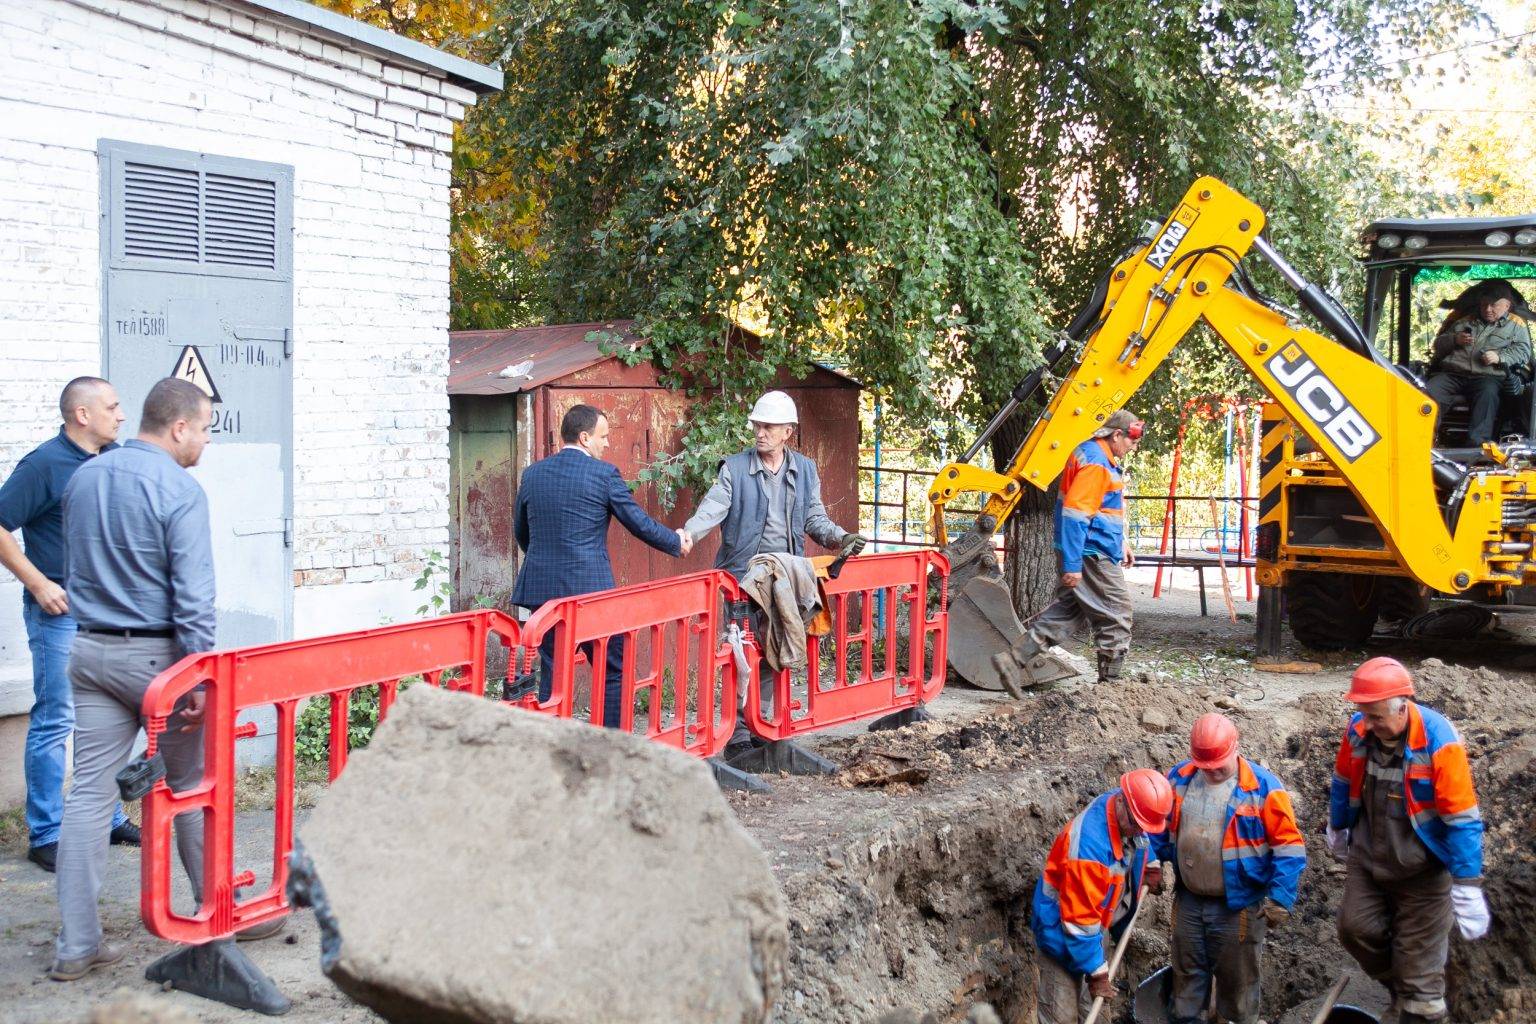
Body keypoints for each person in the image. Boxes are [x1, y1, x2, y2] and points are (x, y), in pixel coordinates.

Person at [51, 378, 221, 981]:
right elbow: (194, 599)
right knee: (192, 786)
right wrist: (201, 679)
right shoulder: (180, 489)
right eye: (203, 429)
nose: (204, 441)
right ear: (178, 427)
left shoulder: (83, 478)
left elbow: (72, 566)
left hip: (91, 651)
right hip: (160, 664)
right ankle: (214, 917)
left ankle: (77, 945)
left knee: (90, 795)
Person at [0, 378, 137, 873]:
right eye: (113, 406)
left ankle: (109, 817)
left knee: (107, 718)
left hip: (109, 613)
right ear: (82, 414)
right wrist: (38, 584)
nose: (121, 415)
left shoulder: (112, 459)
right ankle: (47, 833)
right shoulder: (42, 465)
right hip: (60, 615)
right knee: (56, 719)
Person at [1330, 657, 1488, 1024]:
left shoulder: (1438, 740)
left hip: (1423, 870)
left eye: (1376, 717)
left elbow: (1462, 818)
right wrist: (1338, 827)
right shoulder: (1359, 730)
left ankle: (1420, 1001)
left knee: (1420, 980)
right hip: (1370, 859)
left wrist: (1467, 883)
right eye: (1363, 714)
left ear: (1402, 707)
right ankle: (1404, 988)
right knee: (1355, 929)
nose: (1366, 724)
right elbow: (1342, 782)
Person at [510, 403, 687, 727]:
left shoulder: (532, 474)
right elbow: (638, 523)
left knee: (554, 668)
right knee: (612, 665)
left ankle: (554, 741)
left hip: (543, 593)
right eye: (603, 437)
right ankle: (611, 743)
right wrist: (676, 541)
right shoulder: (603, 475)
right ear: (584, 437)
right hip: (591, 593)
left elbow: (522, 533)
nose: (607, 444)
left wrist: (547, 561)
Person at [1153, 713, 1306, 1024]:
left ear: (1236, 749)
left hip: (1238, 905)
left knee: (1237, 984)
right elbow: (1156, 827)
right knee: (1186, 974)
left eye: (1218, 765)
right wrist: (1151, 863)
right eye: (1205, 767)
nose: (1212, 772)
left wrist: (1280, 898)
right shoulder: (1179, 778)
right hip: (1190, 898)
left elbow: (1289, 847)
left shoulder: (1263, 788)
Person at [993, 409, 1142, 690]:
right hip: (1091, 553)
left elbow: (1096, 508)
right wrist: (1073, 565)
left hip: (1090, 548)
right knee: (1117, 615)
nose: (1134, 446)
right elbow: (1076, 515)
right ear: (1117, 435)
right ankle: (1111, 688)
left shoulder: (1093, 455)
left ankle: (1011, 661)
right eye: (1132, 440)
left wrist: (1120, 540)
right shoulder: (1097, 463)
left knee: (1068, 613)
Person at [1031, 768, 1173, 1024]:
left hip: (1094, 928)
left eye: (1144, 827)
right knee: (1060, 1016)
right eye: (1136, 825)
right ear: (1122, 802)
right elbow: (1078, 922)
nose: (1139, 831)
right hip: (1062, 935)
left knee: (1097, 1015)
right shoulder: (1089, 847)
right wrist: (1097, 972)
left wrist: (1149, 862)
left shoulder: (1126, 810)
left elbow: (1140, 836)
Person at [680, 390, 864, 581]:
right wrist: (689, 534)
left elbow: (814, 518)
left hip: (788, 574)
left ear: (787, 432)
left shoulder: (805, 470)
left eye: (768, 427)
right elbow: (712, 507)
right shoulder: (734, 469)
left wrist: (841, 538)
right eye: (757, 426)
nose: (760, 434)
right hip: (743, 576)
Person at [1425, 279, 1533, 444]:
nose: (1487, 309)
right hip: (1454, 373)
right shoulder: (1464, 321)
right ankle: (1424, 439)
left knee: (1488, 395)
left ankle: (1477, 446)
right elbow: (1438, 346)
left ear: (1506, 305)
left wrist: (1500, 357)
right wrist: (1455, 339)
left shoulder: (1516, 325)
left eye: (1493, 305)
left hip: (1487, 376)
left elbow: (1523, 352)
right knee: (1430, 390)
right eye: (1484, 305)